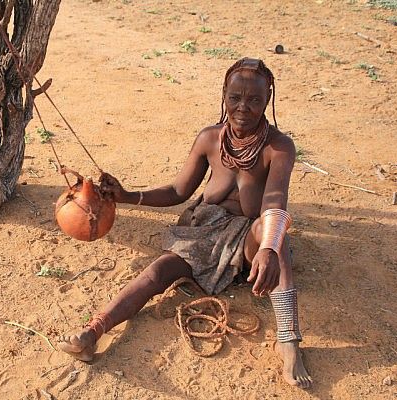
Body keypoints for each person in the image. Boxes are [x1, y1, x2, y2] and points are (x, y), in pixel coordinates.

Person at [58, 58, 312, 388]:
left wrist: (268, 248)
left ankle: (289, 340)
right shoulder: (209, 139)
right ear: (223, 94)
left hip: (247, 238)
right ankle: (94, 332)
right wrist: (127, 195)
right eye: (235, 97)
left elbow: (275, 202)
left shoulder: (278, 148)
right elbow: (179, 191)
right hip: (201, 234)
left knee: (277, 239)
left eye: (254, 100)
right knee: (156, 273)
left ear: (269, 100)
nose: (243, 108)